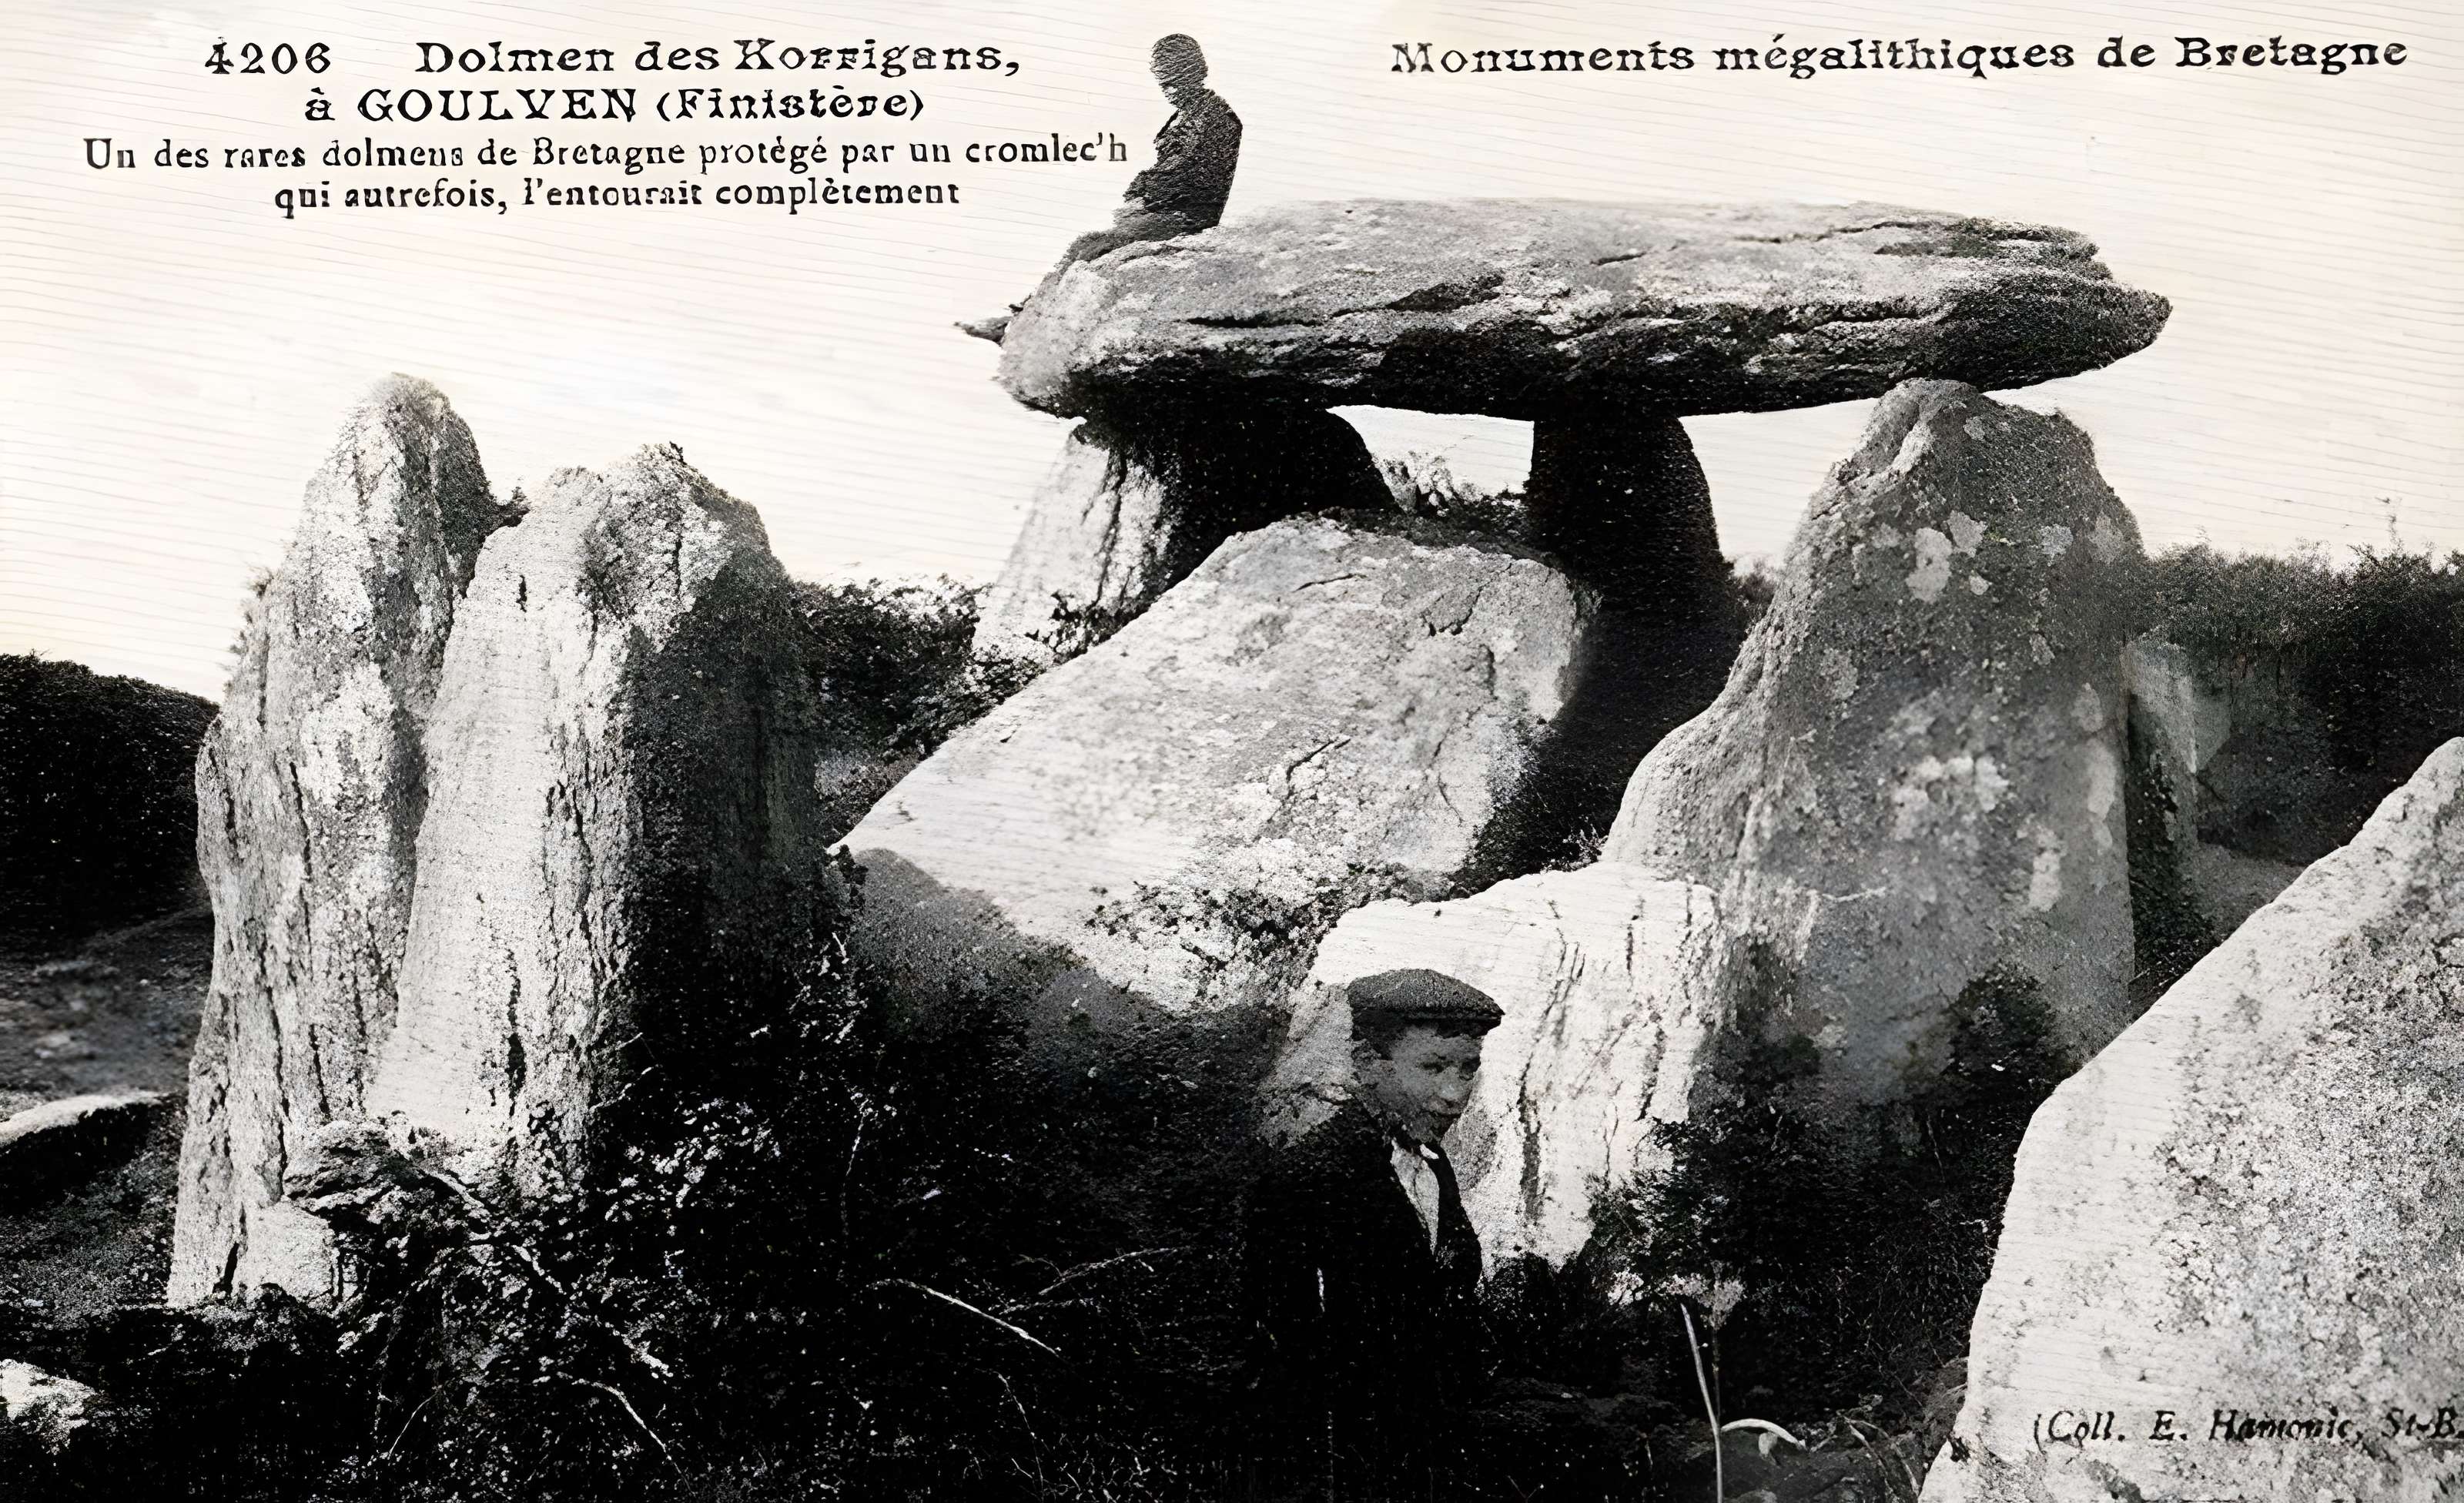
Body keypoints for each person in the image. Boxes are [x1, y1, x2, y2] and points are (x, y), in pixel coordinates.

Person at [1239, 969, 1502, 1499]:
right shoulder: (1308, 1178)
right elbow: (1287, 1357)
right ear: (1365, 1064)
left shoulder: (1432, 1167)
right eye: (1431, 1068)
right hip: (1342, 1466)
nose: (1454, 1094)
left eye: (1468, 1069)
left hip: (1425, 1457)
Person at [959, 34, 1242, 342]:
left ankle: (1023, 321)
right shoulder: (1191, 114)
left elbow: (1196, 179)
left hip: (1184, 218)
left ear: (1192, 72)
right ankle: (1023, 316)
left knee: (1090, 247)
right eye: (1162, 81)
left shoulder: (1214, 118)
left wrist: (1144, 194)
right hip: (1168, 212)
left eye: (1172, 80)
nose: (1166, 89)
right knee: (1087, 246)